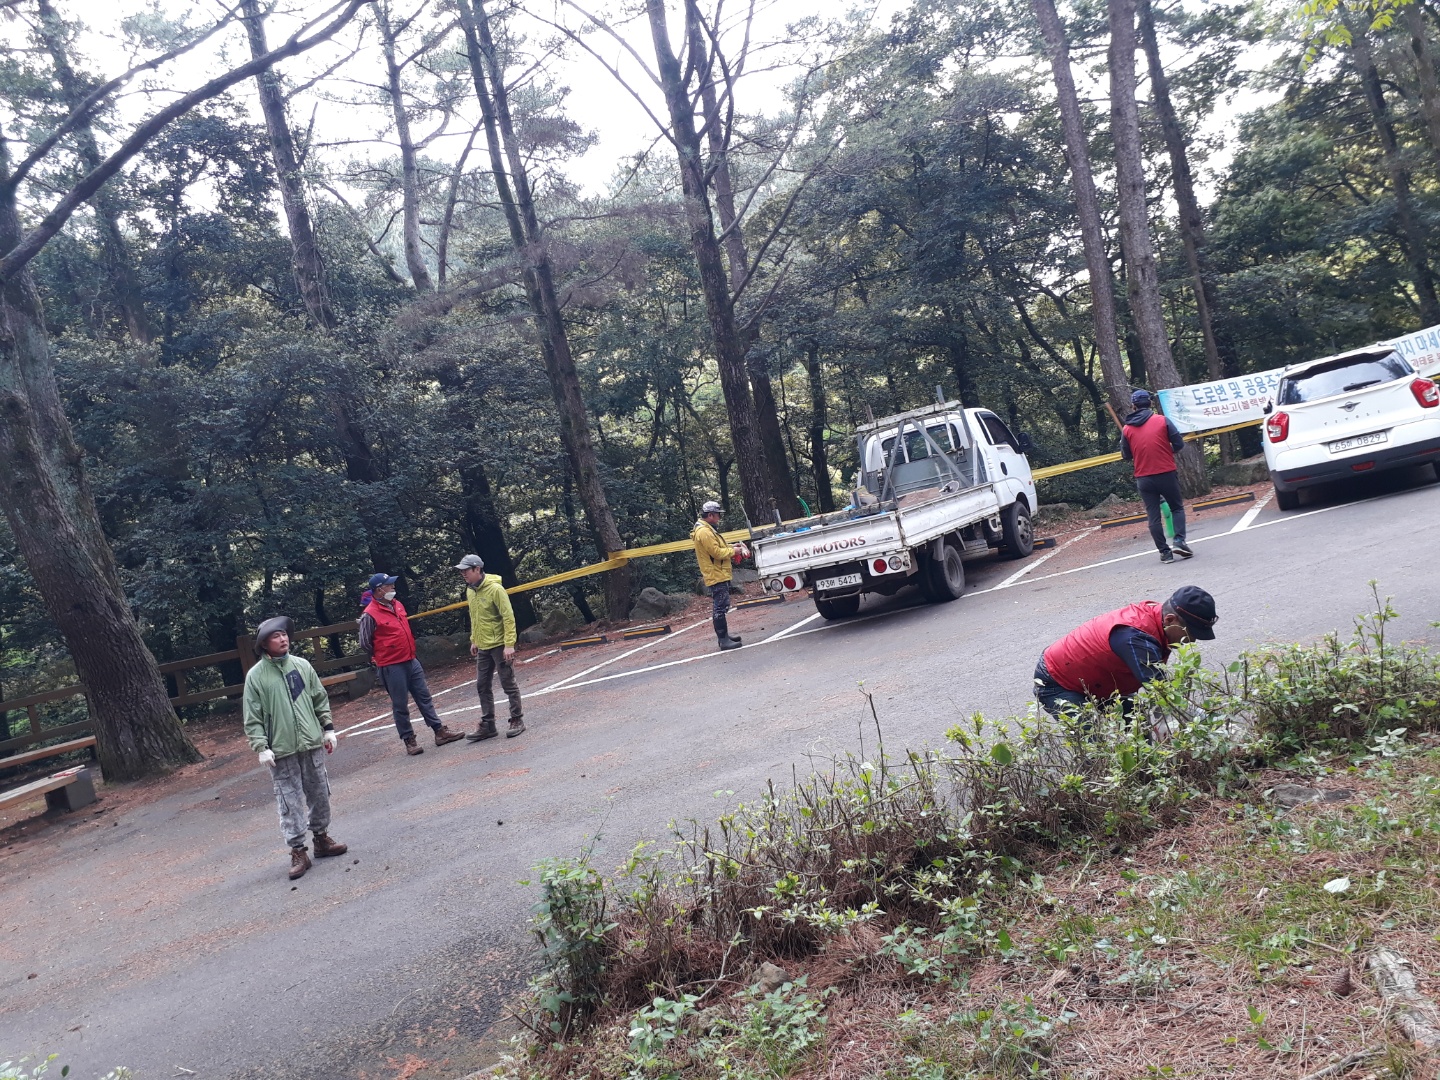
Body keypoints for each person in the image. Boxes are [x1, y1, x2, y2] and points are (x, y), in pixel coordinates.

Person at [242, 616, 348, 881]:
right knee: (289, 801)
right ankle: (298, 850)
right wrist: (260, 746)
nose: (283, 639)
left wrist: (328, 728)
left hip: (310, 742)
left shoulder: (301, 666)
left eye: (284, 634)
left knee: (319, 791)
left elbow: (318, 698)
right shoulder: (256, 677)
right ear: (264, 643)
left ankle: (322, 839)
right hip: (281, 749)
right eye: (276, 636)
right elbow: (252, 716)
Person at [1033, 586, 1218, 719]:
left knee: (1138, 727)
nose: (1192, 641)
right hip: (1057, 683)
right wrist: (1205, 719)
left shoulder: (1156, 617)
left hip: (1094, 682)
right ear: (1170, 620)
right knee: (1099, 746)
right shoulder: (1136, 638)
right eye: (1191, 633)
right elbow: (1162, 692)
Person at [358, 572, 466, 756]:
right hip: (391, 665)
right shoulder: (370, 614)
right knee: (400, 704)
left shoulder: (397, 605)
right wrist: (384, 653)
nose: (393, 587)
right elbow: (364, 642)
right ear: (379, 590)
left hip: (410, 659)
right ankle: (409, 739)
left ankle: (439, 731)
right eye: (389, 585)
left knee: (424, 697)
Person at [454, 554, 525, 741]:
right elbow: (475, 617)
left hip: (500, 645)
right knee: (482, 685)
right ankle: (488, 725)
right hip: (483, 645)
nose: (463, 574)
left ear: (477, 569)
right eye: (461, 570)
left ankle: (517, 719)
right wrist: (474, 639)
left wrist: (509, 644)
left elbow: (508, 617)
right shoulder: (470, 591)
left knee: (508, 683)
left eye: (466, 570)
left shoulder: (495, 589)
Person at [1120, 389, 1194, 563]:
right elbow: (1178, 443)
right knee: (1176, 507)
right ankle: (1179, 541)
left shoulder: (1127, 429)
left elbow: (1125, 455)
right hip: (1166, 472)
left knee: (1153, 515)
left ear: (1134, 406)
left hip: (1143, 478)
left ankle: (1164, 553)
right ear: (1150, 403)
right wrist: (1168, 450)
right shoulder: (1162, 421)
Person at [692, 500, 747, 652]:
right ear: (710, 515)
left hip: (718, 572)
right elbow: (716, 553)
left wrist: (731, 547)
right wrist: (734, 552)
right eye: (717, 515)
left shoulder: (707, 529)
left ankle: (725, 637)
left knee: (722, 605)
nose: (719, 518)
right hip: (715, 573)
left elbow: (718, 547)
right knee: (720, 607)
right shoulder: (704, 532)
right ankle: (723, 640)